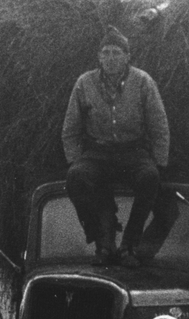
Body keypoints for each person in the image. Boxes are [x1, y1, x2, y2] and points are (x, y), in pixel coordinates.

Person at [62, 26, 170, 267]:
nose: (111, 59)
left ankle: (129, 245)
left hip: (132, 151)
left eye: (117, 53)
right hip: (97, 152)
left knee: (150, 178)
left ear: (127, 57)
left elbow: (159, 125)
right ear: (99, 57)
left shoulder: (142, 82)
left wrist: (160, 162)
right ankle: (101, 239)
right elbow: (70, 129)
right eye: (106, 53)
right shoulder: (84, 83)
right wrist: (75, 160)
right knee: (75, 178)